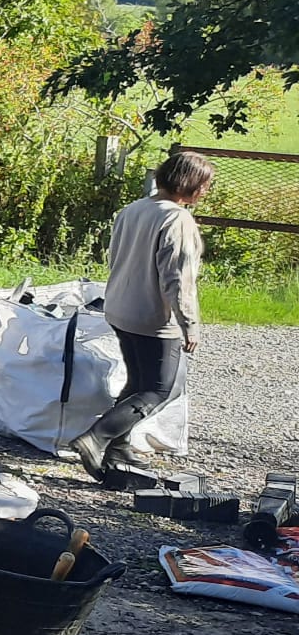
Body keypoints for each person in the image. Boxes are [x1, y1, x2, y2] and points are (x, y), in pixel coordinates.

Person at [68, 150, 213, 479]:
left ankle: (119, 448)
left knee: (137, 383)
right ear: (187, 183)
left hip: (120, 308)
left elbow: (114, 257)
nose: (205, 191)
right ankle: (97, 437)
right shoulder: (177, 219)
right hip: (152, 317)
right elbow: (177, 279)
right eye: (204, 185)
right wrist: (189, 325)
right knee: (162, 388)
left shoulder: (133, 209)